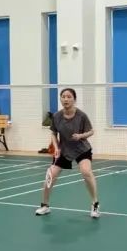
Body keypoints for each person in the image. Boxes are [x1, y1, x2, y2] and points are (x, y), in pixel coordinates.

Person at [35, 87, 100, 218]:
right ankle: (45, 206)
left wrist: (81, 136)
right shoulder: (57, 116)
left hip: (81, 149)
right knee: (50, 175)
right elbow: (53, 133)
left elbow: (91, 131)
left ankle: (95, 204)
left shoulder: (81, 115)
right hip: (64, 150)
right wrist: (56, 147)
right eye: (63, 96)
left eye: (69, 97)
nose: (66, 99)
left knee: (86, 172)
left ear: (74, 99)